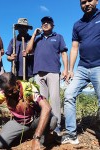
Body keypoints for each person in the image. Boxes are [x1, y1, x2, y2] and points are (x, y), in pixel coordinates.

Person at [0, 69, 58, 149]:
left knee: (52, 121)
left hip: (35, 119)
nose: (9, 94)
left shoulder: (28, 88)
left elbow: (47, 107)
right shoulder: (4, 93)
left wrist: (36, 138)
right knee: (0, 143)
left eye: (11, 90)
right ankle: (23, 133)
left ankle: (41, 137)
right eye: (6, 92)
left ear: (16, 84)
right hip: (19, 122)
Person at [61, 0, 100, 145]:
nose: (87, 4)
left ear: (96, 1)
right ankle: (71, 134)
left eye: (90, 0)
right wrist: (71, 69)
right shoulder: (77, 24)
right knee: (69, 94)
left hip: (99, 66)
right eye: (83, 2)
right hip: (82, 68)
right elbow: (75, 48)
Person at [26, 16, 68, 136]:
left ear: (53, 25)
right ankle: (43, 125)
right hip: (38, 73)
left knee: (54, 98)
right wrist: (34, 35)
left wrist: (66, 69)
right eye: (43, 22)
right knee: (41, 101)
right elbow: (28, 50)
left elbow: (64, 53)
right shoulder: (37, 39)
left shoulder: (58, 37)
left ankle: (57, 126)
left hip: (53, 72)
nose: (45, 23)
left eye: (48, 22)